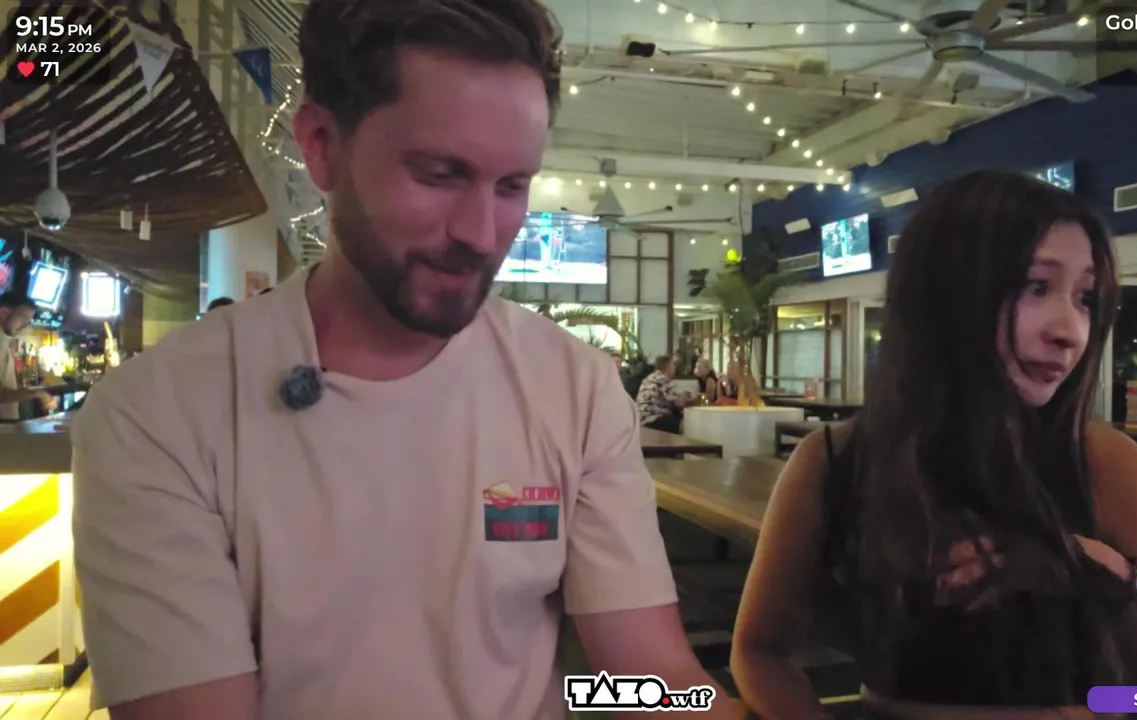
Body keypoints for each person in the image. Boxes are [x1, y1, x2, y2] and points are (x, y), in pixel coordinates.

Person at [70, 1, 735, 718]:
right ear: (322, 145)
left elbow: (647, 678)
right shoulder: (160, 414)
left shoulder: (575, 389)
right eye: (439, 174)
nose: (482, 234)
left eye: (512, 186)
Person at [730, 170, 1137, 719]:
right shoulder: (835, 462)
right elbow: (759, 651)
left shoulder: (1102, 461)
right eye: (1037, 287)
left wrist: (1113, 578)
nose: (1070, 331)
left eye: (1085, 298)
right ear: (946, 294)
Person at [0, 291, 55, 419]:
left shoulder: (5, 341)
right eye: (23, 318)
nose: (25, 326)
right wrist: (37, 394)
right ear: (3, 313)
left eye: (28, 321)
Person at [636, 355, 694, 434]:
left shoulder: (650, 377)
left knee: (676, 415)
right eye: (673, 365)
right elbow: (679, 403)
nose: (675, 368)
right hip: (653, 418)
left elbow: (669, 397)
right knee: (686, 426)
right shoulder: (663, 379)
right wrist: (690, 398)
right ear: (668, 366)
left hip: (641, 419)